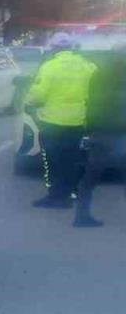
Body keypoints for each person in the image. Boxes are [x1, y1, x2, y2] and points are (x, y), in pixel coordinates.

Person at [25, 35, 97, 208]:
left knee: (53, 161)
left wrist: (27, 102)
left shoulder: (50, 67)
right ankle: (69, 194)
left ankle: (56, 197)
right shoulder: (88, 67)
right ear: (71, 47)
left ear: (54, 48)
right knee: (71, 160)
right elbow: (96, 91)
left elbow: (38, 94)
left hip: (52, 122)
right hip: (77, 121)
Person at [73, 41, 126, 227]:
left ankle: (81, 217)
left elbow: (91, 100)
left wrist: (90, 126)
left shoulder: (99, 73)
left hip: (101, 131)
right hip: (121, 132)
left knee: (90, 177)